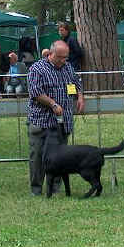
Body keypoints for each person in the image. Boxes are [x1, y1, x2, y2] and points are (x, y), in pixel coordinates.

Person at [26, 40, 85, 196]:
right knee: (38, 157)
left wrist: (79, 96)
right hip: (41, 121)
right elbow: (36, 92)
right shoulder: (37, 69)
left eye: (66, 57)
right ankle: (36, 189)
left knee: (61, 157)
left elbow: (75, 82)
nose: (63, 60)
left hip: (63, 122)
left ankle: (55, 189)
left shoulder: (67, 67)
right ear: (50, 54)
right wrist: (52, 104)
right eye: (60, 57)